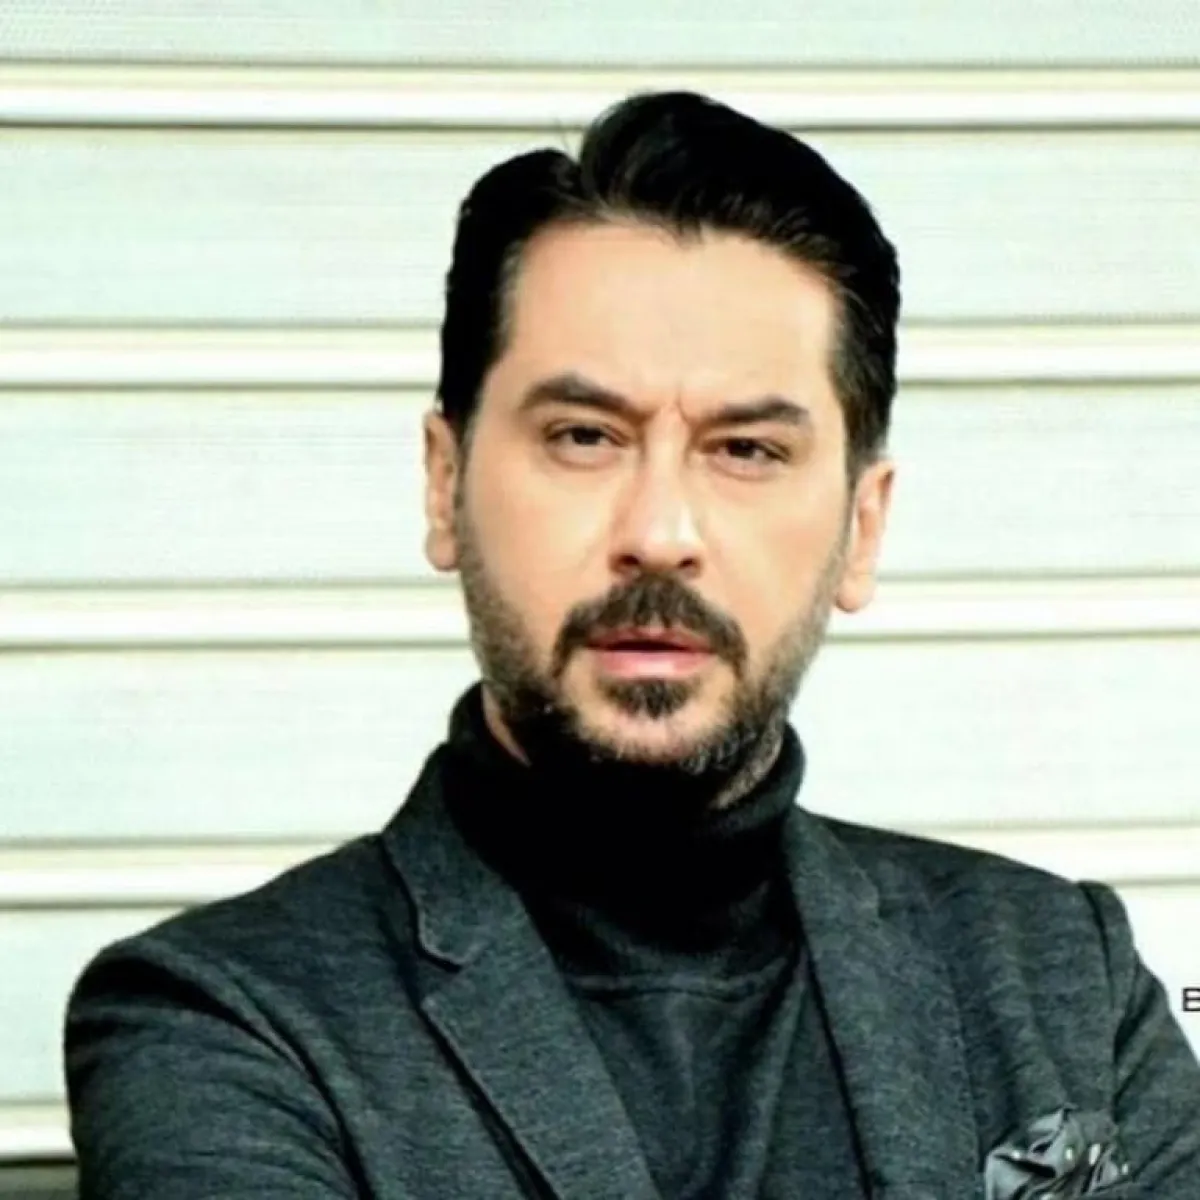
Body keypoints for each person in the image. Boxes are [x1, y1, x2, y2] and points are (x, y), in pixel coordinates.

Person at [64, 90, 1200, 1199]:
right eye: (583, 436)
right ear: (445, 483)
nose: (659, 533)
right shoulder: (225, 1018)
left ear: (862, 528)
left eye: (747, 450)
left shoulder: (1061, 975)